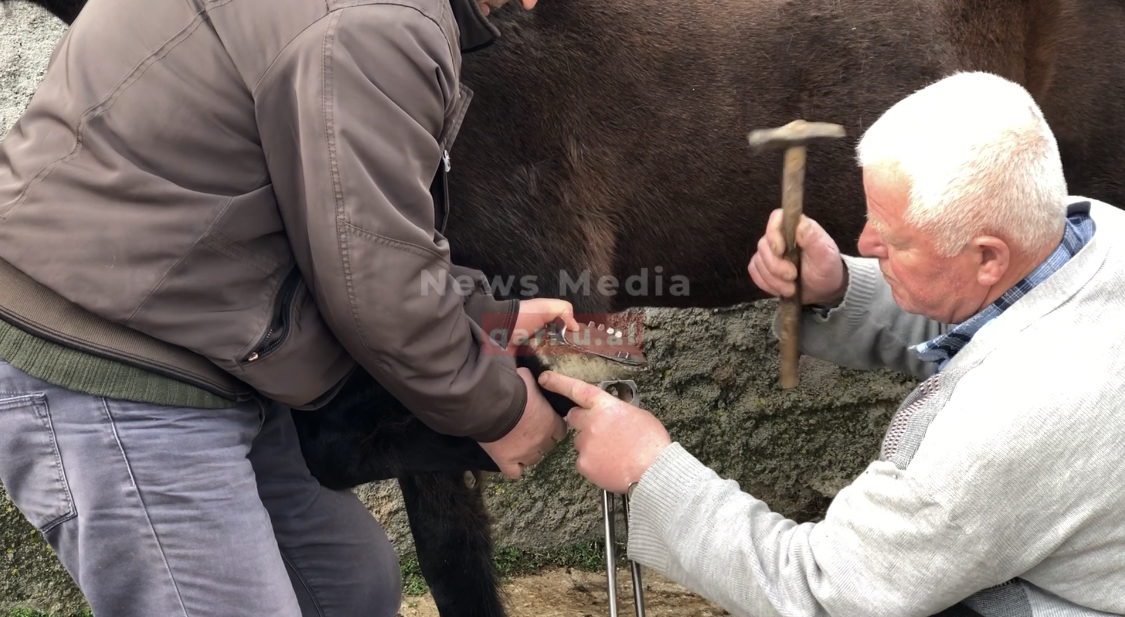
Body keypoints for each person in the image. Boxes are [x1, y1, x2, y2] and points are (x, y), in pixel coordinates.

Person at [0, 0, 579, 614]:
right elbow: (376, 287)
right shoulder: (377, 21)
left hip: (189, 331)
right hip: (106, 363)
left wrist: (489, 318)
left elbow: (347, 233)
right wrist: (504, 412)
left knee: (348, 587)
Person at [537, 71, 1125, 616]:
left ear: (987, 255)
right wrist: (841, 286)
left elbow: (822, 591)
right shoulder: (1096, 234)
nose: (865, 243)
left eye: (895, 239)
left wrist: (649, 467)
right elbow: (995, 327)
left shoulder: (999, 437)